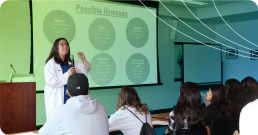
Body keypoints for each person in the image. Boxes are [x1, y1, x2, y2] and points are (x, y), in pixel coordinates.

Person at [39, 73, 109, 135]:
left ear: (68, 92)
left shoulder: (60, 112)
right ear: (88, 90)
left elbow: (42, 133)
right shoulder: (102, 107)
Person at [44, 38, 91, 119]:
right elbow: (50, 81)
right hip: (58, 100)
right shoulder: (50, 64)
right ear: (56, 47)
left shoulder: (70, 62)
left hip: (71, 100)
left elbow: (86, 70)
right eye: (62, 44)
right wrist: (67, 74)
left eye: (66, 44)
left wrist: (83, 59)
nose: (65, 46)